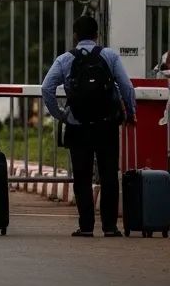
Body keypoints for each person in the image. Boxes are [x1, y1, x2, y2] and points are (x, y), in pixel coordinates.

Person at [41, 15, 137, 237]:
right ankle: (110, 227)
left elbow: (47, 88)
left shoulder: (65, 59)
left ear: (75, 35)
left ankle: (86, 227)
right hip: (107, 125)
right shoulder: (110, 56)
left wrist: (61, 115)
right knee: (109, 175)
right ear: (97, 35)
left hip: (78, 125)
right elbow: (127, 87)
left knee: (82, 176)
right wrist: (130, 113)